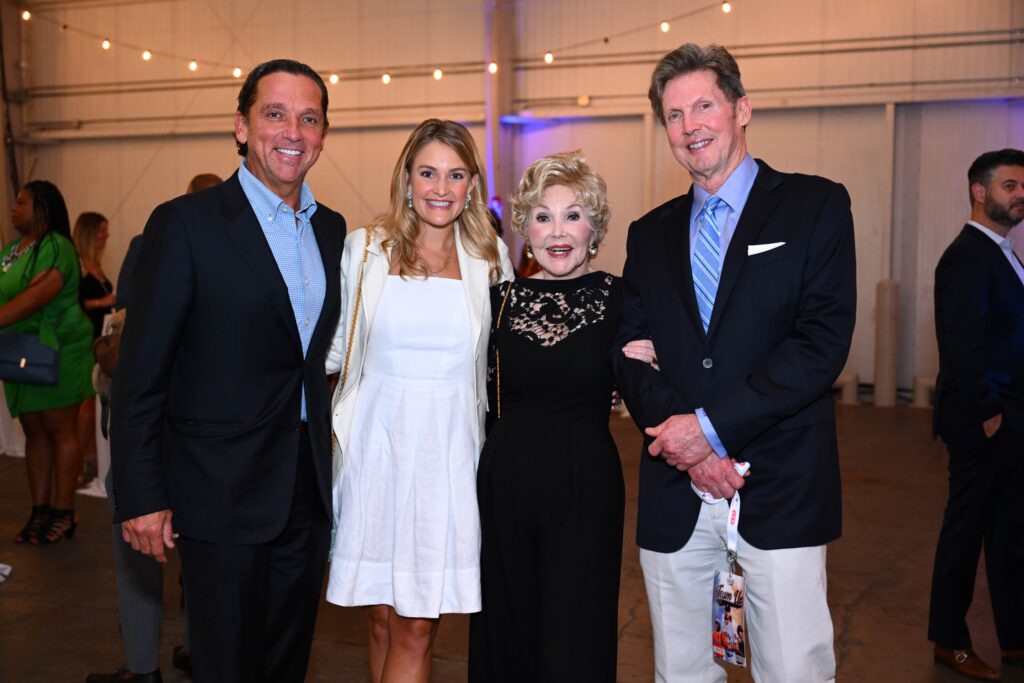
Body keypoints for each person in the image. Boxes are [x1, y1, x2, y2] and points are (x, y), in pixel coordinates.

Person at [613, 43, 856, 681]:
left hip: (778, 484)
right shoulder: (649, 233)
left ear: (741, 109)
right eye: (673, 114)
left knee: (793, 668)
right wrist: (692, 446)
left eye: (703, 105)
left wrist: (711, 430)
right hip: (676, 491)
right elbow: (631, 354)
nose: (690, 125)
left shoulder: (815, 207)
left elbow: (820, 344)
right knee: (683, 670)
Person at [110, 59, 345, 683]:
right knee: (226, 667)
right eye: (275, 114)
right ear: (241, 126)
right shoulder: (185, 225)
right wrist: (141, 493)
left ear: (322, 135)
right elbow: (141, 374)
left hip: (303, 489)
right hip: (217, 491)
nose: (292, 131)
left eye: (309, 117)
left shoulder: (330, 230)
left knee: (286, 662)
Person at [325, 118, 513, 683]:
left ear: (472, 184)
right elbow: (335, 349)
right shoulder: (365, 251)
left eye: (455, 175)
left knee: (417, 624)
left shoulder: (490, 257)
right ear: (407, 179)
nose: (440, 187)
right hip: (375, 454)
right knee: (382, 621)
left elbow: (507, 359)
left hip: (448, 458)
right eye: (428, 172)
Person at [468, 151, 624, 682]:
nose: (558, 231)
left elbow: (659, 379)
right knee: (506, 630)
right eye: (542, 216)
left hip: (586, 489)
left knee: (576, 636)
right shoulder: (495, 300)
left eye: (573, 215)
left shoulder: (620, 299)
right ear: (524, 229)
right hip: (505, 486)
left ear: (594, 228)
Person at [86, 173, 222, 683]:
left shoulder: (153, 240)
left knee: (140, 558)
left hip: (158, 425)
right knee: (198, 559)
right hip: (200, 433)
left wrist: (105, 353)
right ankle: (193, 650)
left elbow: (123, 336)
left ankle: (143, 668)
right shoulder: (242, 244)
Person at [928, 148, 1024, 681]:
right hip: (983, 421)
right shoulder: (966, 256)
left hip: (1011, 418)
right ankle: (949, 639)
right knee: (965, 532)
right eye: (1009, 186)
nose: (1020, 195)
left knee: (1010, 533)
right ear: (979, 192)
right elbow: (962, 344)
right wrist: (989, 413)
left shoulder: (1004, 252)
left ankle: (1015, 637)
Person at [2, 180, 95, 544]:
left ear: (41, 208)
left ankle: (63, 512)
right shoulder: (12, 250)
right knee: (34, 430)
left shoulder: (58, 248)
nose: (13, 207)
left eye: (21, 202)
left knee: (60, 429)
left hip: (58, 350)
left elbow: (36, 297)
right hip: (20, 351)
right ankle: (39, 511)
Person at [72, 211, 115, 485]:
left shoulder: (95, 265)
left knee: (91, 405)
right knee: (85, 407)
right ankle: (75, 463)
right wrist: (105, 301)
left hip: (100, 338)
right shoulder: (78, 267)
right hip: (86, 340)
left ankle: (86, 456)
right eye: (101, 231)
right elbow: (77, 303)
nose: (106, 236)